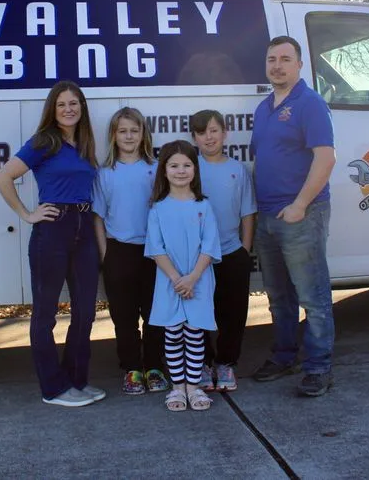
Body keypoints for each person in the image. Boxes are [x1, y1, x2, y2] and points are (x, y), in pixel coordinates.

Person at [0, 80, 104, 408]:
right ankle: (53, 389)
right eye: (62, 104)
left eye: (74, 103)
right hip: (53, 230)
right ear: (52, 111)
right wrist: (26, 214)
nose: (69, 109)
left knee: (85, 311)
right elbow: (2, 177)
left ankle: (75, 381)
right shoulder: (44, 141)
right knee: (45, 315)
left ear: (81, 107)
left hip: (83, 228)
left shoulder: (84, 143)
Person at [250, 36, 337, 397]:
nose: (277, 65)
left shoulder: (310, 103)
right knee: (278, 297)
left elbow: (326, 158)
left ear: (299, 65)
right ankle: (284, 355)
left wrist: (300, 204)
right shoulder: (264, 107)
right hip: (268, 216)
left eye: (286, 59)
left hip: (302, 213)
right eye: (272, 59)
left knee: (312, 295)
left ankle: (318, 366)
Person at [92, 107, 169, 395]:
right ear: (113, 135)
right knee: (123, 318)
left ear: (142, 134)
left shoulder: (155, 168)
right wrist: (105, 255)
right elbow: (98, 217)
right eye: (122, 131)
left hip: (152, 253)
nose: (128, 136)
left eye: (134, 131)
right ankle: (132, 369)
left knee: (153, 315)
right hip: (118, 251)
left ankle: (154, 367)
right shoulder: (105, 173)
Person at [144, 140, 222, 411]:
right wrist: (178, 278)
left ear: (195, 169)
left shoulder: (203, 206)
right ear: (164, 171)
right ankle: (177, 387)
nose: (180, 170)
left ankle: (194, 386)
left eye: (187, 165)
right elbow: (156, 248)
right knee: (174, 332)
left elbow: (210, 246)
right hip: (169, 282)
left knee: (194, 332)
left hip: (198, 280)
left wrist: (192, 278)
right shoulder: (158, 208)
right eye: (174, 165)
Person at [189, 109, 257, 393]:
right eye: (202, 132)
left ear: (225, 133)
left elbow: (248, 213)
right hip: (197, 256)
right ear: (194, 137)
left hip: (231, 252)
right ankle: (204, 365)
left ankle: (226, 364)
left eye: (214, 130)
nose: (209, 137)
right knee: (200, 312)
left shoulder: (237, 169)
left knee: (233, 312)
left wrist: (245, 250)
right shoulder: (189, 168)